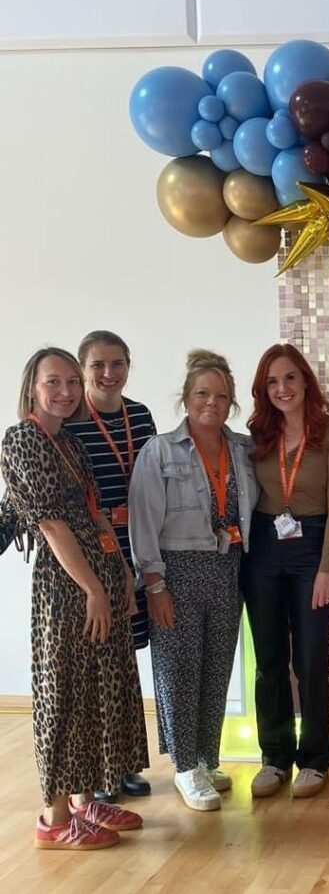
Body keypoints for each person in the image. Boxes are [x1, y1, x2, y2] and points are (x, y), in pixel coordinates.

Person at [1, 348, 147, 850]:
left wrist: (123, 575)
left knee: (96, 690)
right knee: (63, 694)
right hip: (66, 588)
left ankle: (86, 800)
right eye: (52, 382)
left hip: (100, 574)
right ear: (32, 387)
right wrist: (92, 590)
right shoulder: (23, 441)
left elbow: (96, 510)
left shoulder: (69, 441)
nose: (64, 392)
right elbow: (51, 524)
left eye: (69, 382)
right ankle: (54, 817)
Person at [129, 350, 259, 812]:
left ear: (232, 404)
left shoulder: (243, 449)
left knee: (216, 669)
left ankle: (206, 757)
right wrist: (155, 585)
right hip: (177, 573)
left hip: (229, 569)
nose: (212, 403)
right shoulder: (160, 451)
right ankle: (185, 767)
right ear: (185, 399)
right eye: (202, 393)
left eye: (222, 396)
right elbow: (142, 524)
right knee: (177, 672)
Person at [242, 344, 329, 799]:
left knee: (310, 660)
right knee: (269, 661)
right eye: (272, 381)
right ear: (262, 390)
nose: (282, 388)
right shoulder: (256, 436)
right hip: (264, 548)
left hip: (312, 547)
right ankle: (274, 757)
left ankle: (314, 760)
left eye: (289, 378)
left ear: (305, 380)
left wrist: (328, 567)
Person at [64, 330, 158, 801]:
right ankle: (97, 772)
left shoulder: (139, 416)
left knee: (124, 660)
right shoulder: (69, 424)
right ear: (84, 369)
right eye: (98, 364)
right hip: (94, 551)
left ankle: (121, 765)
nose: (108, 373)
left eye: (117, 363)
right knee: (97, 661)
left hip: (138, 544)